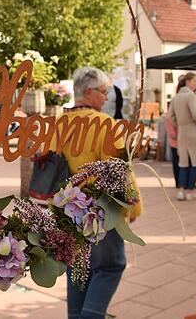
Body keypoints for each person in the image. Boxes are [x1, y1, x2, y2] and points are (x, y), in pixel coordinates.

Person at [57, 67, 139, 319]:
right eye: (104, 92)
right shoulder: (102, 124)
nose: (106, 98)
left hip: (66, 207)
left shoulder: (59, 123)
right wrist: (132, 207)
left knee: (78, 266)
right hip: (99, 209)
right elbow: (119, 171)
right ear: (89, 92)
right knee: (110, 265)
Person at [169, 72, 196, 201]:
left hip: (182, 132)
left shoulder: (176, 97)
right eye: (195, 80)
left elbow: (170, 116)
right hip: (193, 131)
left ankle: (181, 190)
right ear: (188, 81)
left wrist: (179, 124)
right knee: (195, 161)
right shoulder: (191, 96)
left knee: (183, 162)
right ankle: (190, 190)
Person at [165, 78, 186, 187]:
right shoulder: (175, 100)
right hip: (176, 139)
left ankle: (186, 183)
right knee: (177, 161)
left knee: (185, 161)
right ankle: (179, 182)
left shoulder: (189, 99)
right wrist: (174, 134)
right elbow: (168, 119)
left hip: (185, 137)